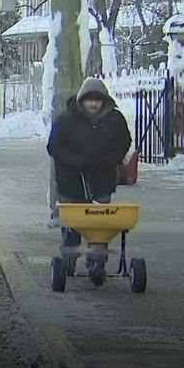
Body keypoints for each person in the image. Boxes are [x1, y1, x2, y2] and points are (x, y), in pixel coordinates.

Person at [46, 78, 133, 279]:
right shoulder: (66, 120)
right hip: (72, 181)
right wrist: (75, 161)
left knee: (98, 225)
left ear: (104, 100)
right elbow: (55, 146)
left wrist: (110, 159)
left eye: (97, 100)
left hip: (102, 180)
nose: (93, 104)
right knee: (73, 225)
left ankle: (97, 262)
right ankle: (69, 256)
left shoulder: (114, 119)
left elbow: (124, 142)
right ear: (81, 100)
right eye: (89, 100)